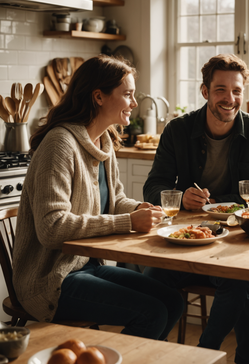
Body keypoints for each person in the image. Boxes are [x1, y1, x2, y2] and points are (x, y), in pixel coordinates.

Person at [12, 55, 184, 341]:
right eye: (127, 94)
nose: (133, 103)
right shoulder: (60, 145)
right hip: (51, 279)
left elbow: (115, 201)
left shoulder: (104, 141)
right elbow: (51, 228)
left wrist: (140, 209)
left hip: (86, 266)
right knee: (151, 313)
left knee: (172, 302)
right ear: (99, 97)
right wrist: (127, 220)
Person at [143, 54, 249, 364]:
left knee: (243, 282)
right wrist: (179, 197)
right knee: (150, 278)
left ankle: (216, 363)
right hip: (186, 239)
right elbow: (154, 187)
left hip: (233, 242)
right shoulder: (178, 130)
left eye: (236, 90)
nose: (230, 98)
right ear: (205, 91)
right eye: (221, 89)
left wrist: (223, 199)